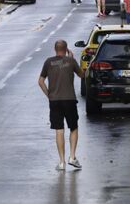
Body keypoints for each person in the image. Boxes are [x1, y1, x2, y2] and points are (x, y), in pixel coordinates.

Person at [38, 40, 84, 171]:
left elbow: (40, 81)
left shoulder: (48, 62)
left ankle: (62, 162)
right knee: (73, 127)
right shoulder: (71, 61)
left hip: (55, 101)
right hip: (69, 99)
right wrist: (72, 59)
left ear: (55, 49)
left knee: (59, 130)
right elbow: (82, 75)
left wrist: (49, 96)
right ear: (66, 49)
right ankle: (72, 157)